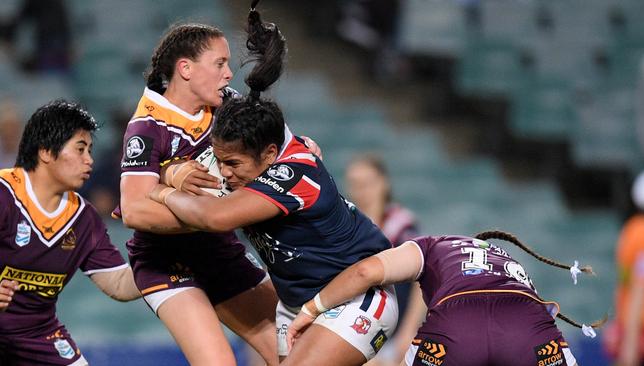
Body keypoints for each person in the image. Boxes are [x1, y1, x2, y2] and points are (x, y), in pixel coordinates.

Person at [148, 2, 399, 365]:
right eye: (220, 162)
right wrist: (169, 172)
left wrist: (160, 190)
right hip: (298, 305)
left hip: (355, 298)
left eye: (233, 163)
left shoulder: (293, 172)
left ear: (268, 154)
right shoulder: (251, 162)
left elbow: (214, 218)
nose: (225, 172)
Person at [114, 14, 323, 365]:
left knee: (302, 352)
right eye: (220, 63)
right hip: (165, 260)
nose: (228, 73)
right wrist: (210, 215)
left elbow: (285, 145)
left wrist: (303, 148)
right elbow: (134, 210)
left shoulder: (227, 101)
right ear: (186, 69)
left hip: (218, 251)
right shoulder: (147, 128)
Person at [288, 230, 607, 366]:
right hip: (526, 325)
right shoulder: (511, 264)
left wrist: (311, 309)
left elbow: (365, 273)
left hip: (457, 325)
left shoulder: (431, 246)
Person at [0, 100, 140, 366]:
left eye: (90, 150)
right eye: (80, 149)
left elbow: (119, 284)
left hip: (37, 335)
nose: (90, 160)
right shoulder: (4, 194)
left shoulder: (83, 218)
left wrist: (169, 264)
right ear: (46, 152)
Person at [345, 154, 424, 366]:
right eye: (355, 184)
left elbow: (421, 282)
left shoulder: (400, 225)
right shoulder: (347, 227)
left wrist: (409, 333)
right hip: (358, 329)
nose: (361, 190)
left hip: (395, 332)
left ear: (383, 183)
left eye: (367, 183)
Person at [604, 169, 644, 366]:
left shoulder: (630, 230)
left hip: (628, 327)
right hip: (642, 332)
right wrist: (630, 347)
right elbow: (641, 286)